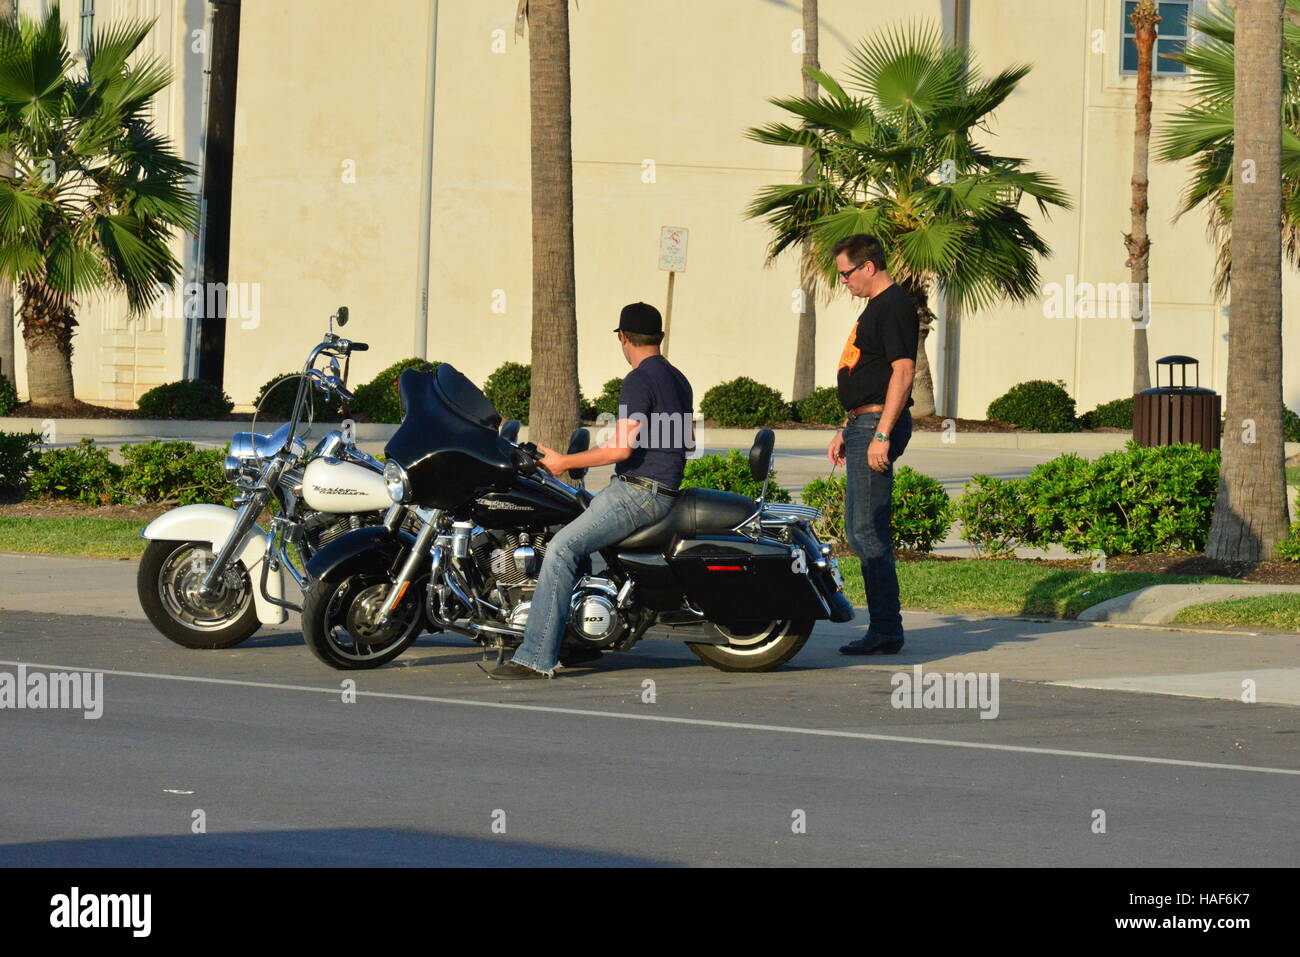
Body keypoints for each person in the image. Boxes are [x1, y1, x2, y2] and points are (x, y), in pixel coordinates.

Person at [490, 302, 694, 679]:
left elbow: (621, 448)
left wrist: (564, 462)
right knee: (571, 530)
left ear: (623, 337)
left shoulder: (639, 379)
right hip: (661, 487)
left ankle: (536, 656)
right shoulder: (678, 379)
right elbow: (679, 441)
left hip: (640, 492)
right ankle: (575, 640)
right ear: (660, 337)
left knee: (562, 547)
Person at [825, 234, 918, 655]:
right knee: (862, 528)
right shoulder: (876, 308)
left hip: (877, 425)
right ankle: (885, 627)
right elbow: (873, 372)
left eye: (846, 273)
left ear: (868, 266)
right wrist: (849, 425)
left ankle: (885, 629)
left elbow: (903, 371)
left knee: (865, 529)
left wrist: (880, 432)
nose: (843, 281)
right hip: (864, 423)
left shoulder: (894, 305)